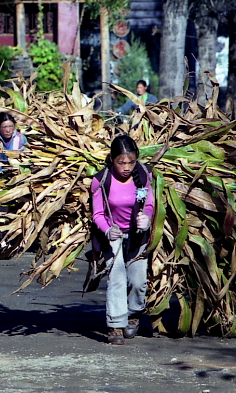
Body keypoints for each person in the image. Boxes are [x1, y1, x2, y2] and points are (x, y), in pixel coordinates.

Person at [90, 135, 154, 345]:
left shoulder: (145, 175)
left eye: (131, 162)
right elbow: (98, 214)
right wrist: (108, 230)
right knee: (116, 277)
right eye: (121, 162)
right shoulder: (101, 180)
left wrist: (147, 218)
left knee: (138, 281)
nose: (126, 167)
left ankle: (133, 312)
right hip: (114, 234)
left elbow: (150, 204)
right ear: (111, 159)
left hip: (137, 234)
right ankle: (116, 325)